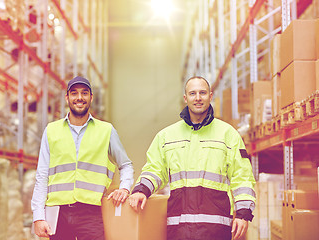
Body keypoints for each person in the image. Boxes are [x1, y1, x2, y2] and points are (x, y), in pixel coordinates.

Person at [128, 76, 256, 240]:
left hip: (216, 229)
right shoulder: (166, 136)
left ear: (210, 96)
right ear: (185, 98)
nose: (197, 98)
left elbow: (242, 176)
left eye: (202, 93)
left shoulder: (228, 134)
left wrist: (243, 213)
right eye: (192, 93)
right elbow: (154, 169)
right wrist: (141, 191)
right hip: (179, 229)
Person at [31, 76, 134, 240]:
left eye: (84, 93)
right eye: (74, 93)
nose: (79, 98)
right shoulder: (51, 130)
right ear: (67, 98)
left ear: (91, 97)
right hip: (58, 213)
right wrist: (38, 216)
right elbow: (42, 175)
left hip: (91, 213)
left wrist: (124, 188)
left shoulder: (106, 130)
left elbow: (126, 165)